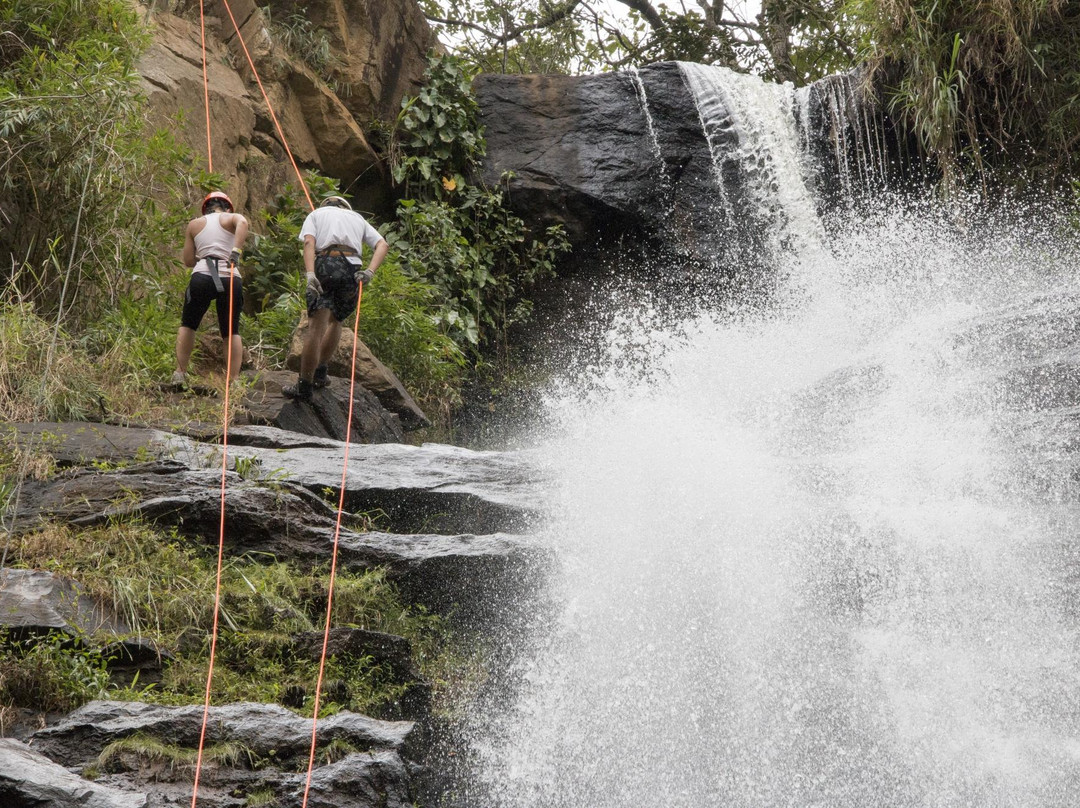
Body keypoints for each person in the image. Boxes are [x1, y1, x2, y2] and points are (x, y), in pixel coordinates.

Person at [282, 195, 389, 402]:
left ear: (327, 204)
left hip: (326, 263)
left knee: (316, 326)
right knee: (337, 320)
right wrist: (369, 272)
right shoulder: (357, 218)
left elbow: (308, 242)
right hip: (352, 269)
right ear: (345, 206)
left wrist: (311, 274)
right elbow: (382, 244)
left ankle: (304, 386)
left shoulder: (316, 214)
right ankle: (321, 374)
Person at [172, 191, 249, 387]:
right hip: (230, 276)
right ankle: (234, 380)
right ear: (227, 206)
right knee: (231, 331)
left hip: (203, 275)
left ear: (205, 207)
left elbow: (188, 260)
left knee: (188, 324)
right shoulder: (230, 218)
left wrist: (206, 256)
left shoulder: (194, 224)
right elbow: (243, 223)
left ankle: (180, 373)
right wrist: (235, 251)